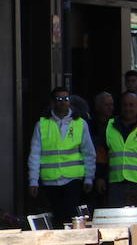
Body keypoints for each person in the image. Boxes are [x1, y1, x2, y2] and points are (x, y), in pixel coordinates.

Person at [27, 86, 96, 226]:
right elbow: (35, 154)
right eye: (59, 99)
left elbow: (88, 152)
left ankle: (74, 244)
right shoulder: (42, 125)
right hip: (50, 179)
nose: (63, 102)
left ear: (70, 101)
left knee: (71, 214)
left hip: (73, 179)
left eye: (66, 99)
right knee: (56, 216)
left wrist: (89, 177)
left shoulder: (80, 124)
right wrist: (33, 180)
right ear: (53, 102)